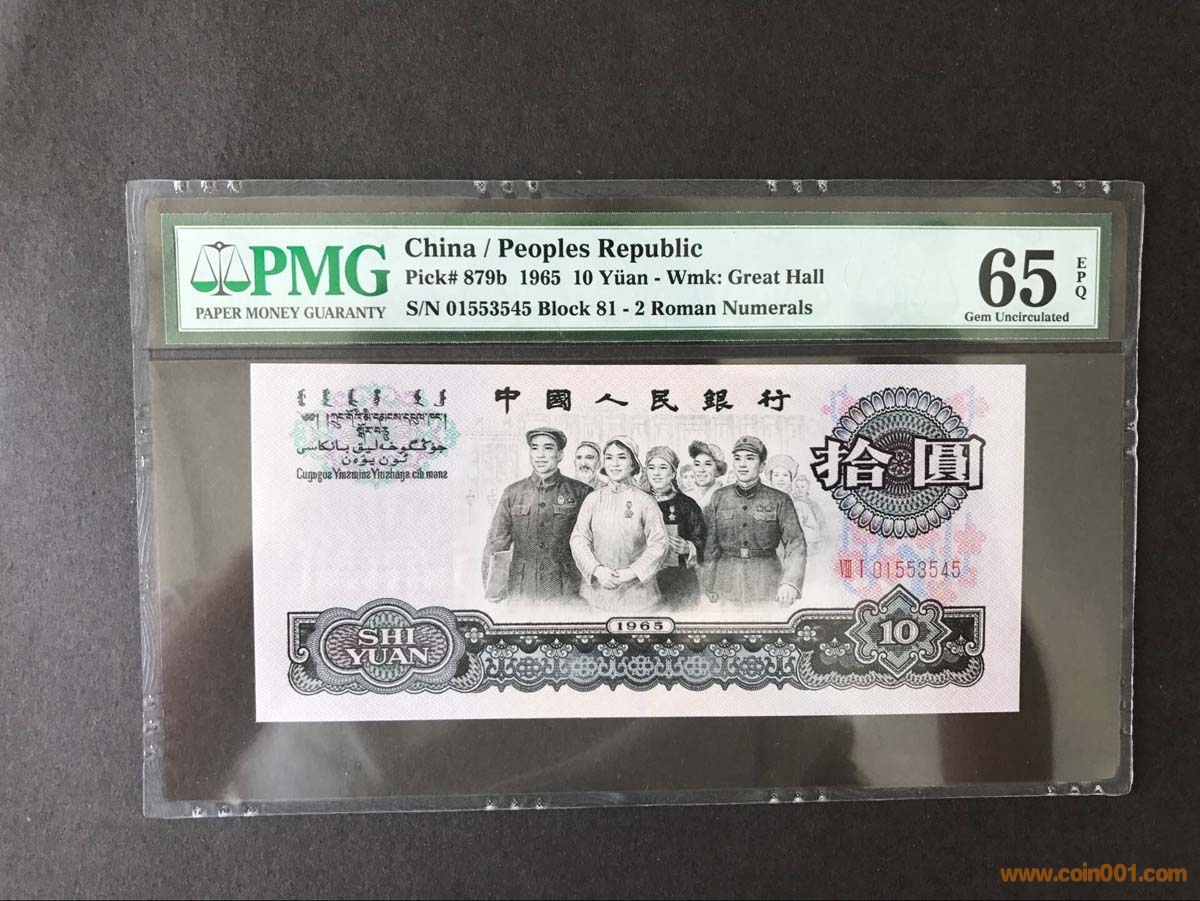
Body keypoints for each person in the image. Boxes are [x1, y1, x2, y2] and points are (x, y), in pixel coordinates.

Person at [482, 427, 592, 603]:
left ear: (560, 455)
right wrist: (493, 589)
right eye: (535, 448)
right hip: (521, 591)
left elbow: (593, 545)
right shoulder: (512, 493)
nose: (540, 455)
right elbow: (496, 544)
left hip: (566, 591)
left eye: (548, 448)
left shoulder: (581, 492)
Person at [703, 435, 806, 607]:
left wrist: (789, 583)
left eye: (750, 458)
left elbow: (796, 543)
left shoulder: (780, 499)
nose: (742, 464)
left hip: (766, 581)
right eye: (737, 459)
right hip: (726, 582)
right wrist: (708, 583)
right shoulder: (719, 497)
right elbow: (711, 546)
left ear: (762, 466)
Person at [570, 436, 669, 614]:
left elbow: (659, 544)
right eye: (609, 458)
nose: (614, 464)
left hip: (639, 598)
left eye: (622, 457)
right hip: (597, 596)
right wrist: (597, 570)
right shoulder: (593, 499)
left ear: (633, 464)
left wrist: (630, 573)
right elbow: (578, 539)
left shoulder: (645, 501)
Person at [642, 445, 707, 608]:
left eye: (663, 467)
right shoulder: (637, 502)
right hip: (643, 582)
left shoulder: (687, 504)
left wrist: (689, 548)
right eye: (651, 468)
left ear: (673, 473)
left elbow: (704, 542)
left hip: (679, 582)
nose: (656, 473)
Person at [686, 439, 727, 511]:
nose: (701, 470)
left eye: (707, 464)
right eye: (697, 464)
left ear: (717, 470)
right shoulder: (687, 495)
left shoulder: (726, 495)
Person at [790, 473, 825, 549]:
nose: (799, 489)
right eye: (797, 487)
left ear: (808, 488)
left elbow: (820, 521)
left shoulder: (813, 504)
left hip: (810, 533)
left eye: (802, 487)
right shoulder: (792, 502)